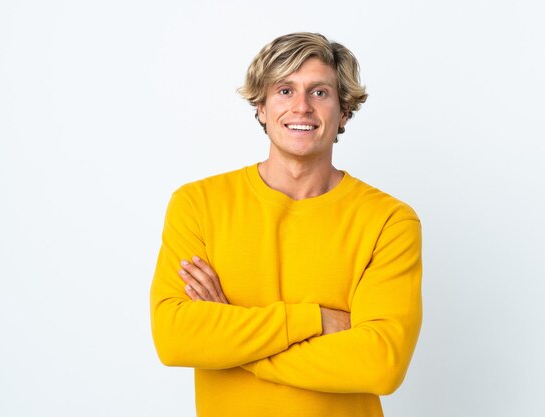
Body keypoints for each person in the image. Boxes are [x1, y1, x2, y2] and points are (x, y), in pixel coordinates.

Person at [150, 32, 422, 417]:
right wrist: (315, 320)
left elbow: (381, 364)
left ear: (344, 111)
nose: (301, 107)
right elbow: (175, 338)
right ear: (261, 107)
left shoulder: (389, 221)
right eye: (284, 90)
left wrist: (234, 342)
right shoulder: (197, 205)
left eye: (320, 93)